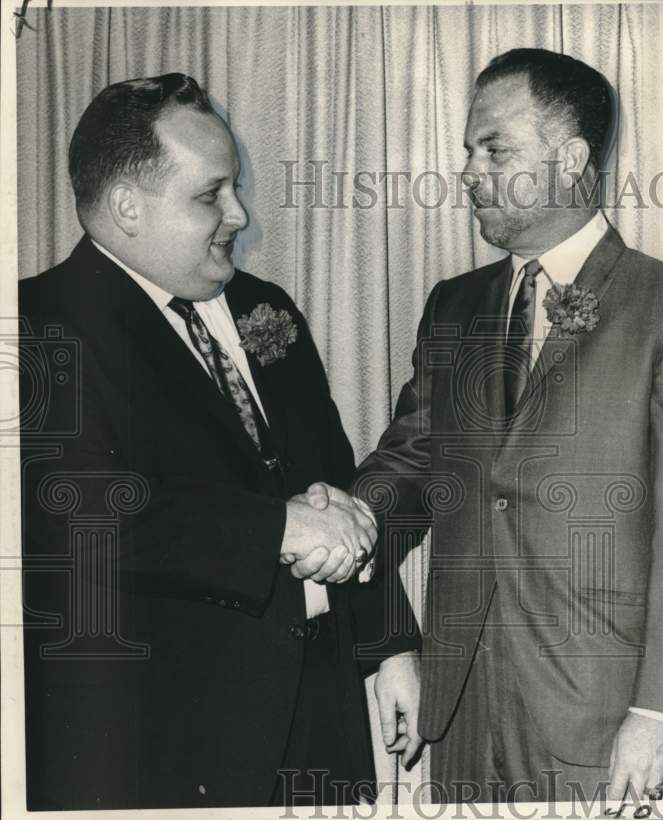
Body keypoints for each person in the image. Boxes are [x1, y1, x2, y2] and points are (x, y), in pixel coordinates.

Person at [311, 48, 663, 804]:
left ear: (570, 158)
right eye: (468, 150)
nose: (468, 172)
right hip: (463, 705)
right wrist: (346, 529)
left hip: (605, 714)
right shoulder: (454, 305)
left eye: (492, 147)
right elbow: (410, 465)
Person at [18, 73, 420, 810]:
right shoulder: (36, 328)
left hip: (319, 727)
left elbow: (330, 480)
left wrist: (389, 643)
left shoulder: (266, 308)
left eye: (235, 188)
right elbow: (78, 513)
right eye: (211, 195)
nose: (239, 214)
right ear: (126, 207)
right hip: (166, 745)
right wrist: (280, 527)